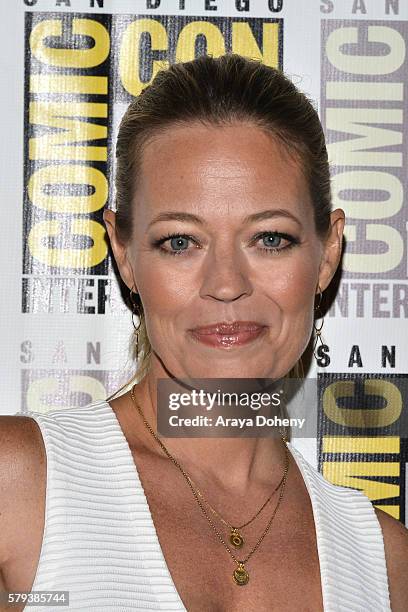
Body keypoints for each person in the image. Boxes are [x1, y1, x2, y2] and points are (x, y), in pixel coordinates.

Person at [0, 53, 407, 612]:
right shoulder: (18, 485)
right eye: (180, 241)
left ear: (327, 252)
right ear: (123, 252)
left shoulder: (384, 563)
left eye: (269, 238)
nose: (226, 284)